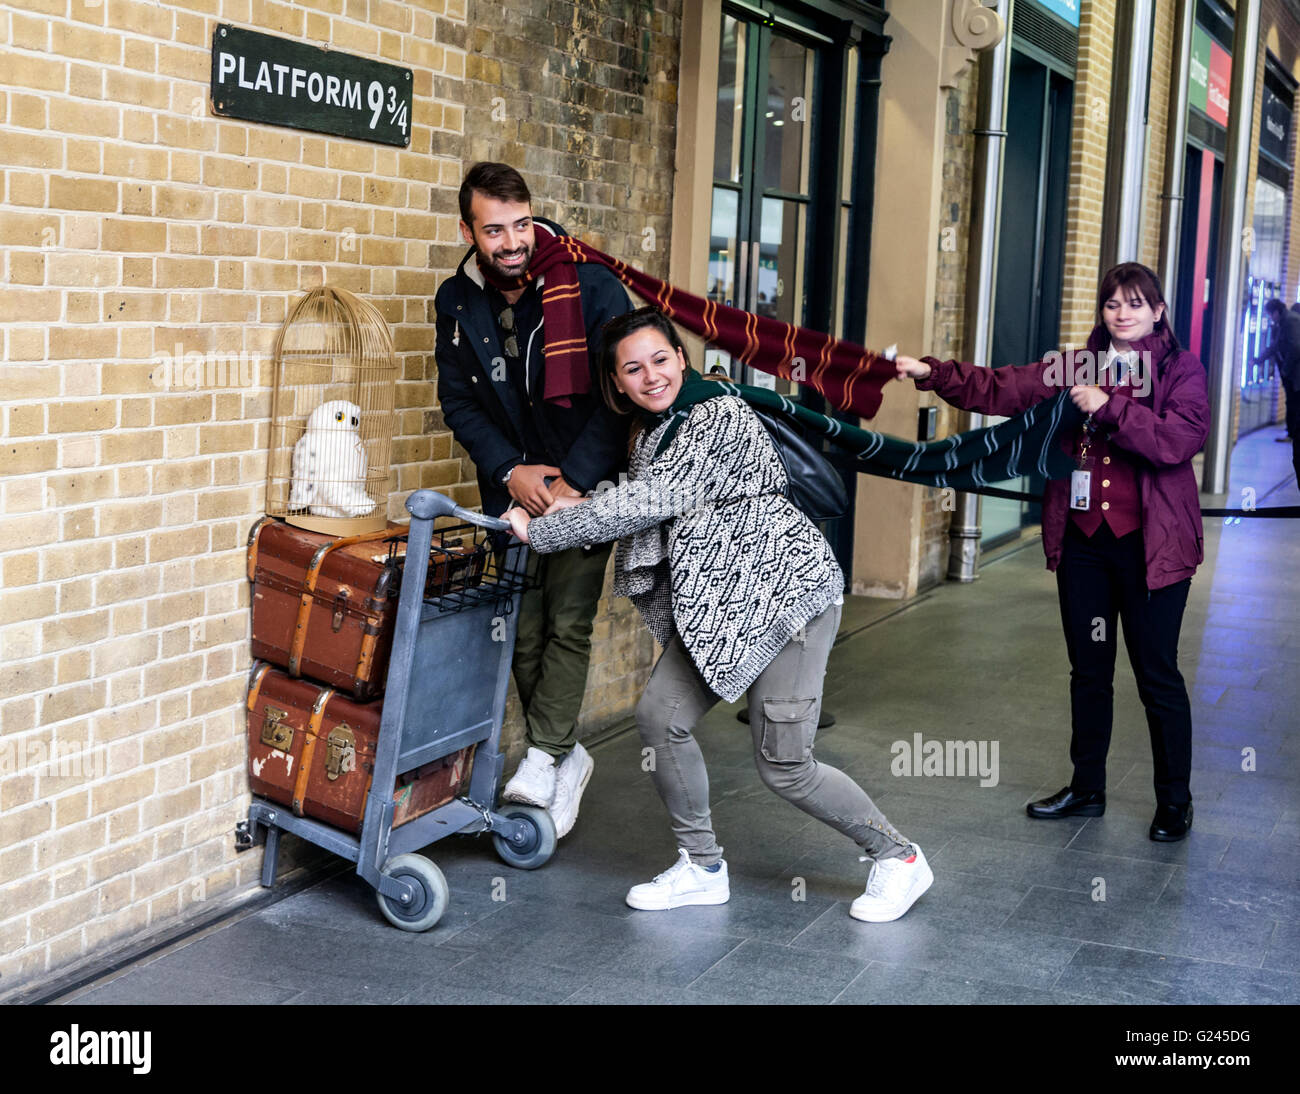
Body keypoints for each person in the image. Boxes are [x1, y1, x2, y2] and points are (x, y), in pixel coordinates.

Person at [505, 306, 933, 921]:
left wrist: (543, 530)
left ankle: (899, 858)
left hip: (787, 603)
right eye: (633, 369)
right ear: (617, 384)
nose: (650, 376)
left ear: (682, 358)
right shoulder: (657, 430)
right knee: (659, 716)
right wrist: (567, 507)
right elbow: (635, 500)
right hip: (725, 610)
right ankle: (702, 866)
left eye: (660, 359)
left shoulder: (716, 416)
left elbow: (648, 500)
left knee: (785, 764)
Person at [895, 262, 1210, 841]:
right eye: (1113, 304)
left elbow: (1178, 441)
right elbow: (1002, 387)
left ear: (1158, 311)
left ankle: (1174, 801)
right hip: (1085, 546)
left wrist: (1108, 406)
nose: (1124, 314)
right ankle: (1087, 788)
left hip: (1152, 552)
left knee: (1156, 675)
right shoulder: (1076, 364)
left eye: (1137, 304)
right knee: (1089, 671)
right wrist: (931, 372)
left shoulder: (1180, 369)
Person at [435, 162, 632, 838]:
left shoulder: (591, 284)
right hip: (510, 495)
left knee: (567, 621)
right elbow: (459, 401)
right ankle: (567, 757)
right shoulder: (456, 303)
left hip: (585, 491)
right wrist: (512, 471)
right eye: (494, 230)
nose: (512, 241)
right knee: (519, 627)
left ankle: (545, 753)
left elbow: (619, 393)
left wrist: (569, 484)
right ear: (469, 230)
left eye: (521, 224)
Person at [1259, 298, 1300, 483]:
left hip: (1295, 373)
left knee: (1294, 404)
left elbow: (1295, 347)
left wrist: (1285, 369)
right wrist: (1259, 360)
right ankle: (1291, 432)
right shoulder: (1285, 321)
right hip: (1291, 374)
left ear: (1276, 311)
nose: (1270, 318)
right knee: (1291, 403)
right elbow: (1276, 346)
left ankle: (1292, 432)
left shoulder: (1290, 320)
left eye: (1270, 314)